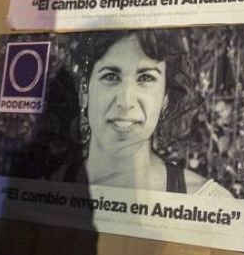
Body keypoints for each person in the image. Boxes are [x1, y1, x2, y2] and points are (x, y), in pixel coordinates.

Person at [72, 29, 232, 197]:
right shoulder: (48, 184)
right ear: (84, 93)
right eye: (110, 77)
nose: (126, 102)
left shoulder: (207, 200)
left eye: (146, 78)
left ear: (165, 98)